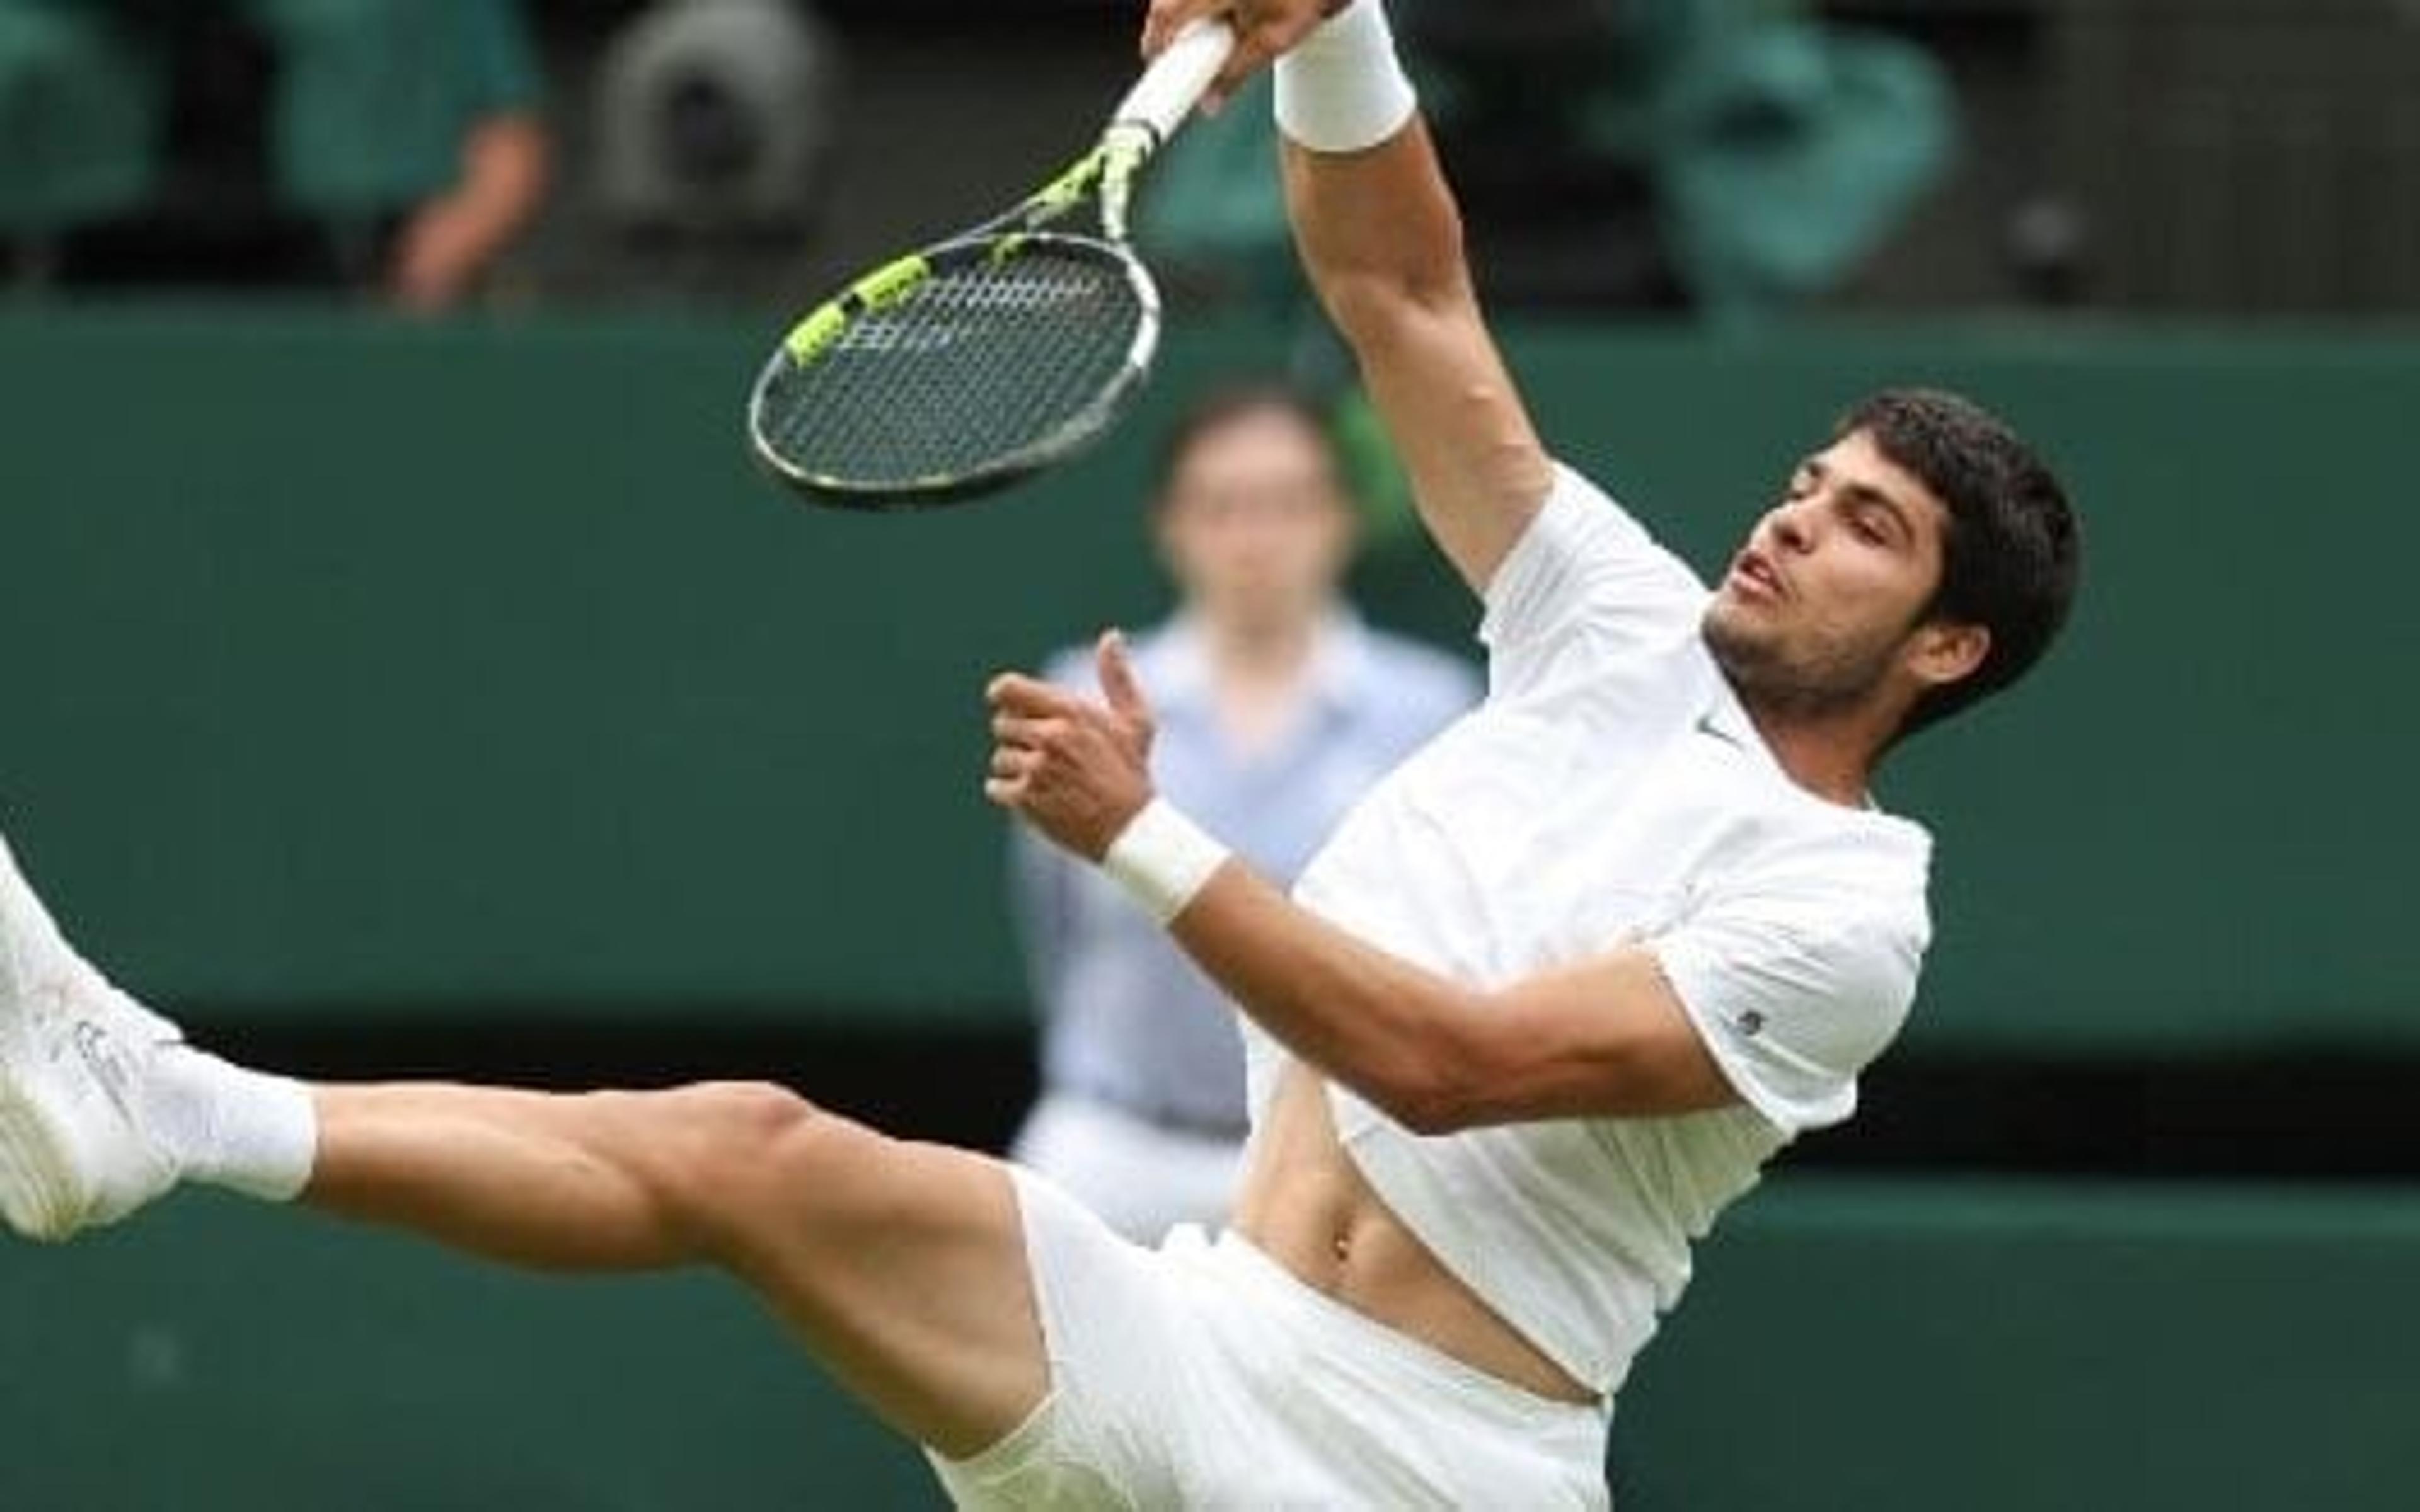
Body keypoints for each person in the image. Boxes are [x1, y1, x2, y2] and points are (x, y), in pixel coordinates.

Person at [0, 0, 2079, 1504]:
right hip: (1197, 1335)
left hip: (1436, 1468)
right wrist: (1333, 27)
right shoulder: (1614, 621)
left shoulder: (1846, 915)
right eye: (1813, 479)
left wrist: (1151, 841)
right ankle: (166, 1112)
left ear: (1948, 643)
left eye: (1868, 526)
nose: (1799, 515)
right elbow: (1405, 294)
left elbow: (1461, 1066)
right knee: (755, 1156)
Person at [1010, 381, 1478, 1244]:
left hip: (1337, 1164)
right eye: (1221, 505)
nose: (1255, 537)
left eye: (1288, 503)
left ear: (1342, 518)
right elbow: (1057, 927)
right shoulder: (1086, 697)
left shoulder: (1432, 711)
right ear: (1170, 525)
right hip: (1108, 1152)